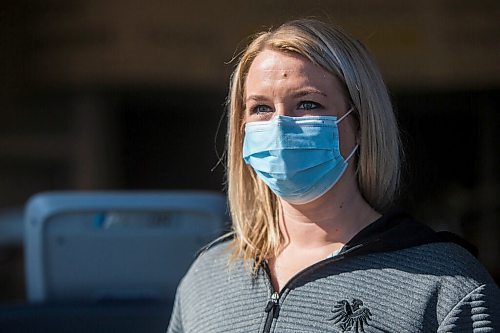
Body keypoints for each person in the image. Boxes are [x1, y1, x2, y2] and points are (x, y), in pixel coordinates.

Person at [167, 19, 499, 333]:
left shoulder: (447, 285)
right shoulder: (206, 277)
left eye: (308, 104)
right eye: (261, 108)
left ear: (361, 124)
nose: (280, 126)